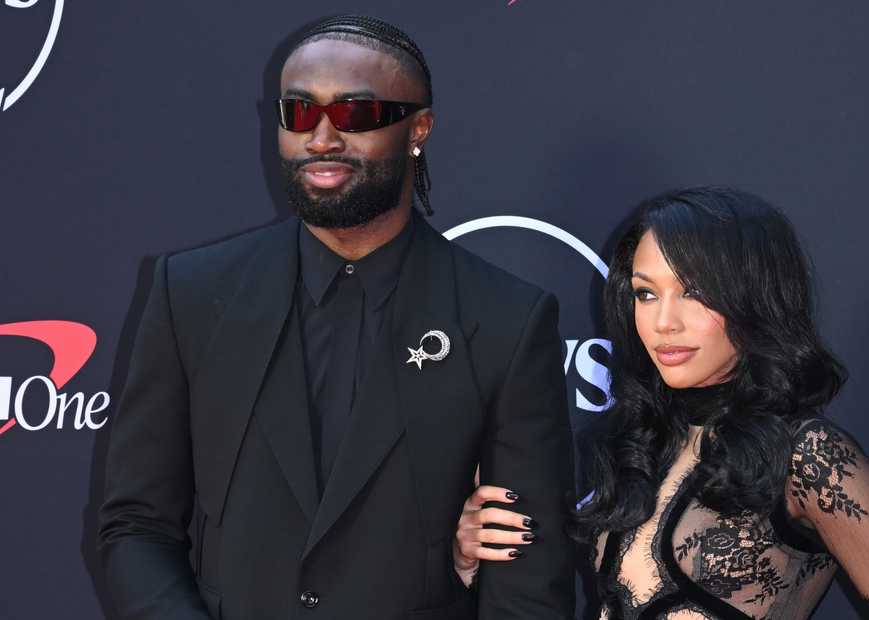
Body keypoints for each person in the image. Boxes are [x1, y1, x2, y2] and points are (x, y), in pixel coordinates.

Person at [98, 15, 575, 620]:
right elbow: (137, 524)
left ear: (418, 129)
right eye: (298, 113)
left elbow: (527, 583)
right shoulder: (192, 294)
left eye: (355, 114)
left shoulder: (505, 319)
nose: (321, 138)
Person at [453, 187, 869, 619]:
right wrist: (469, 564)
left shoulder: (809, 457)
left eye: (693, 292)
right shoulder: (642, 443)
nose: (664, 322)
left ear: (755, 298)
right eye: (646, 294)